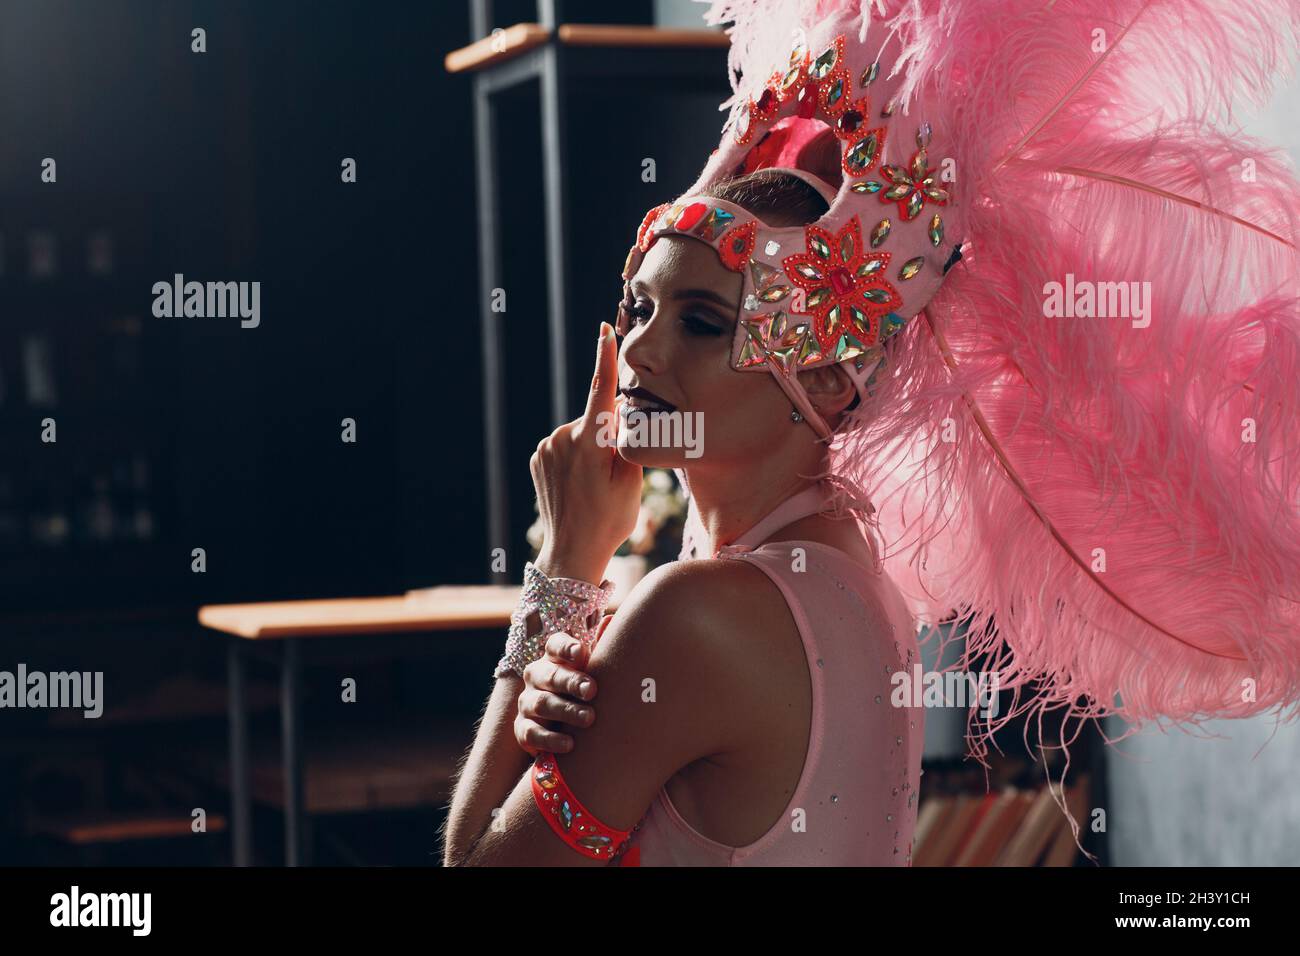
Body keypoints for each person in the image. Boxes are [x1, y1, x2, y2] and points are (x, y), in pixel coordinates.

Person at [441, 0, 1300, 866]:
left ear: (818, 375)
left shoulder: (696, 616)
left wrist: (563, 568)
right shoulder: (850, 576)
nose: (640, 349)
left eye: (701, 323)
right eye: (638, 306)